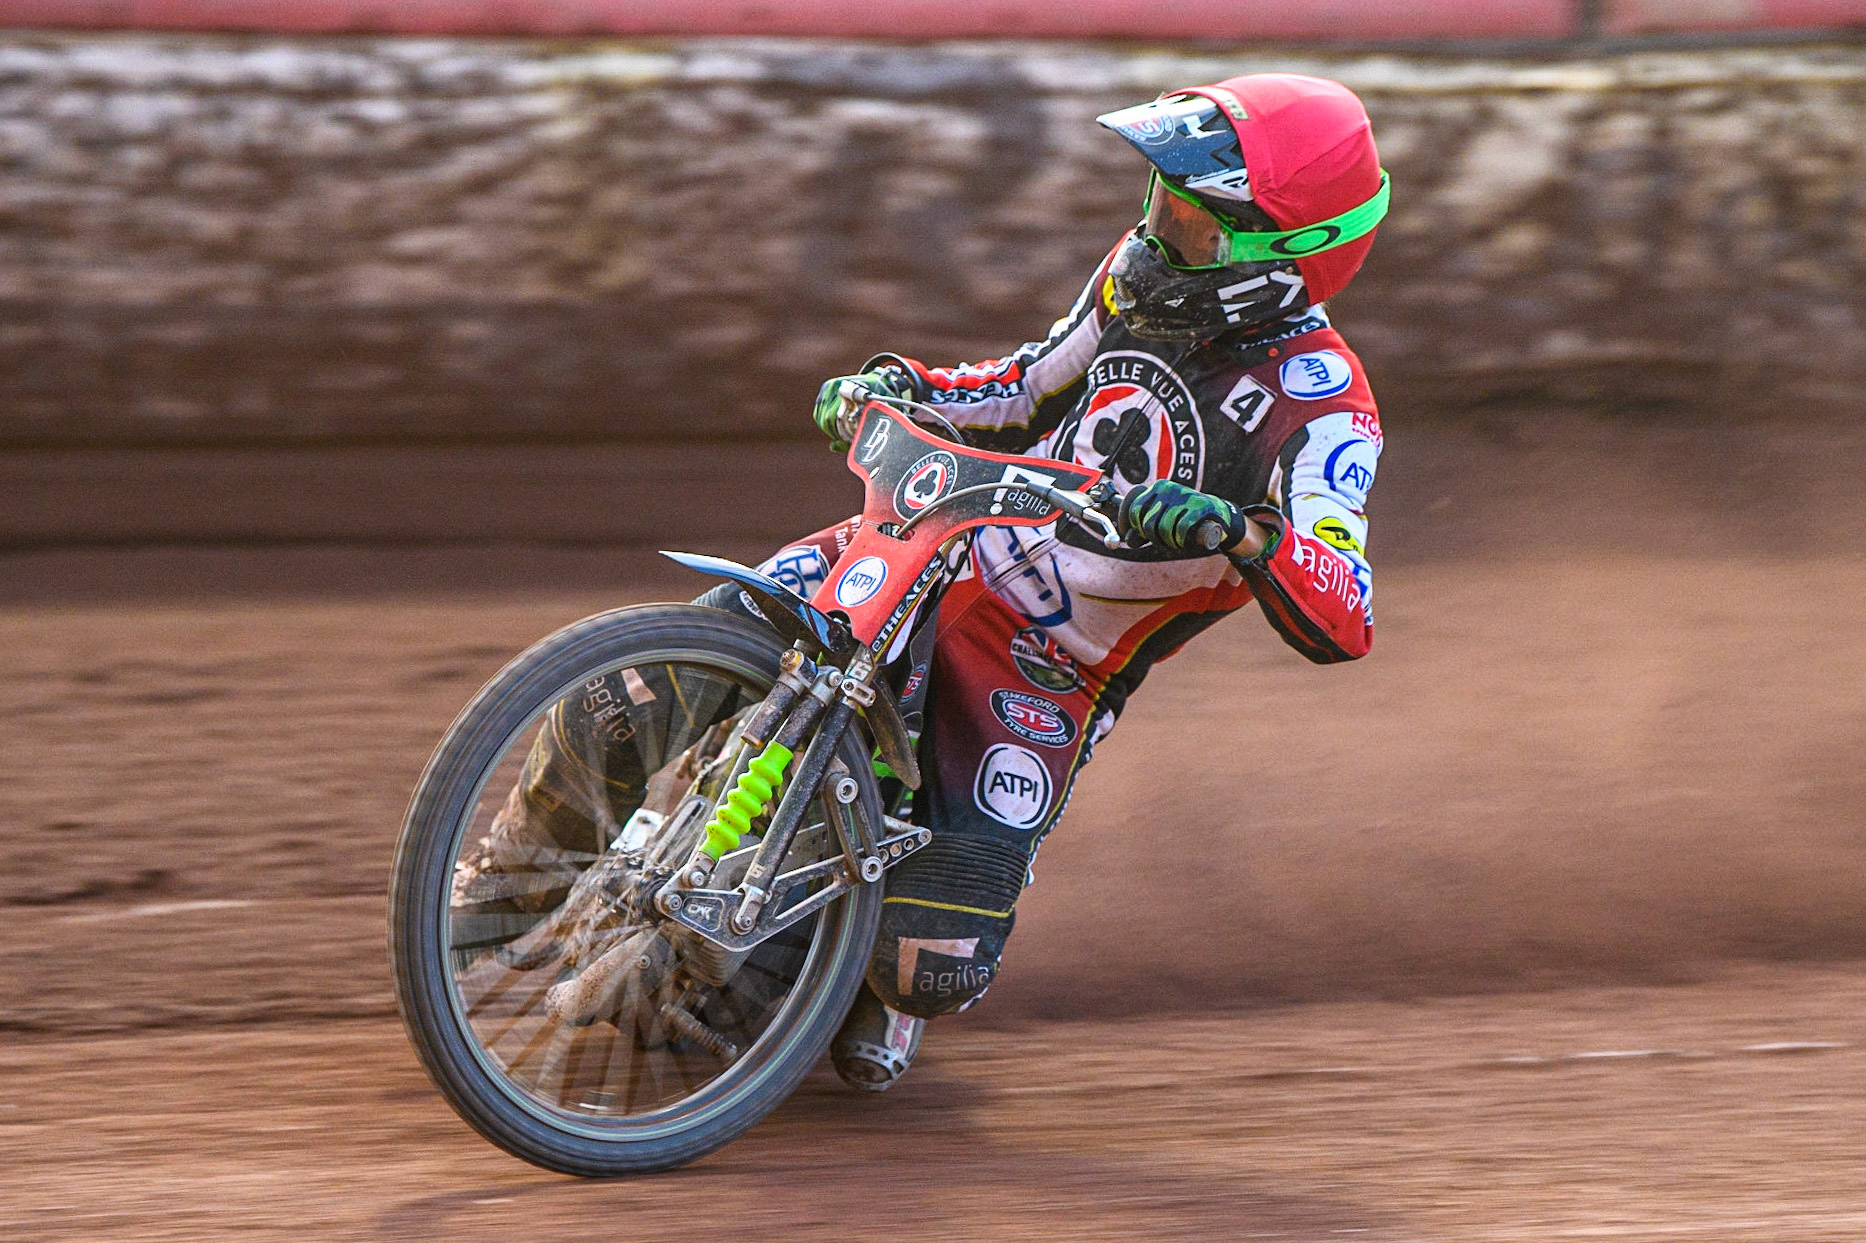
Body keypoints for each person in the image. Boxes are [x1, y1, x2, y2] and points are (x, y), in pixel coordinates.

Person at [458, 72, 1388, 1092]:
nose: (1161, 233)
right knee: (642, 683)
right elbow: (1026, 385)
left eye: (1196, 225)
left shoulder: (1324, 407)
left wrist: (1240, 533)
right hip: (933, 542)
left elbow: (1345, 605)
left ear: (1285, 258)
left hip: (1043, 667)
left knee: (929, 964)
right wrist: (903, 385)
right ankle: (506, 883)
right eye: (1162, 204)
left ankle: (843, 980)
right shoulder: (1133, 273)